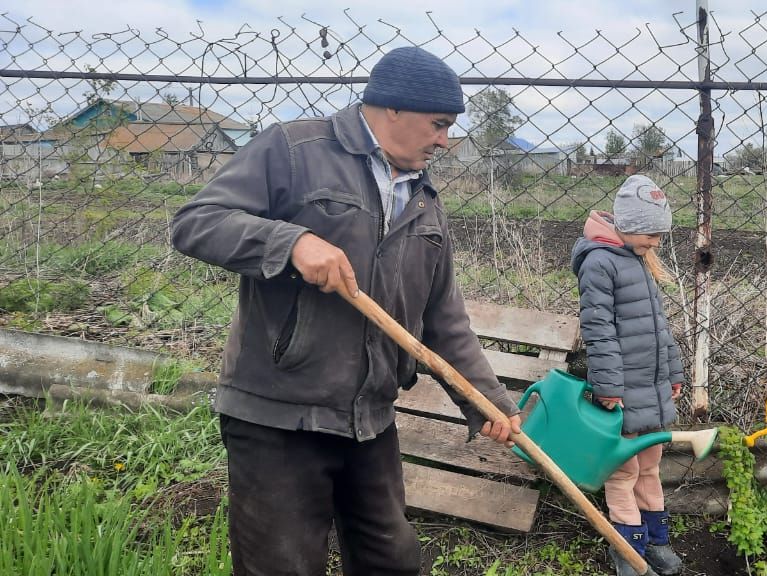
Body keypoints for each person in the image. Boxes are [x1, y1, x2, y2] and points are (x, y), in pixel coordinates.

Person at [170, 46, 523, 575]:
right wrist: (290, 242)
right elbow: (196, 223)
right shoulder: (294, 149)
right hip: (279, 413)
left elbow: (444, 320)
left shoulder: (425, 199)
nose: (445, 141)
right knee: (283, 566)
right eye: (439, 124)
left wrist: (488, 401)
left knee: (393, 562)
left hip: (369, 421)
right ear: (393, 108)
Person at [570, 174, 687, 576]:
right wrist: (607, 385)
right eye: (653, 233)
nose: (657, 241)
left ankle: (656, 540)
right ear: (631, 225)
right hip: (623, 389)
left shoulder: (638, 259)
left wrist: (673, 371)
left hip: (651, 388)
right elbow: (598, 331)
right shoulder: (600, 263)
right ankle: (628, 549)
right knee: (624, 472)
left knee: (650, 467)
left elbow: (658, 328)